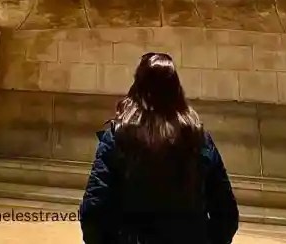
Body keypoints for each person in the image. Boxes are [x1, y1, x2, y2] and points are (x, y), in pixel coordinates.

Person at [80, 52, 239, 244]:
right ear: (176, 88)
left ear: (138, 86)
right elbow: (226, 212)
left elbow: (94, 210)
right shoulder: (198, 138)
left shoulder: (118, 136)